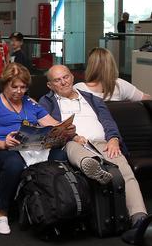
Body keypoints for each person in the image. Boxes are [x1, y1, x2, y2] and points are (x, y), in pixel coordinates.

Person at [40, 65, 149, 230]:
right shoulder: (46, 102)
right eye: (57, 80)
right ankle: (90, 163)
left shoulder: (92, 99)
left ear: (72, 77)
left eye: (66, 77)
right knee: (72, 147)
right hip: (74, 143)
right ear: (50, 85)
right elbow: (48, 129)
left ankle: (140, 217)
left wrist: (113, 139)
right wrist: (73, 136)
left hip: (102, 143)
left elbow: (108, 122)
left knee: (125, 170)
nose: (63, 82)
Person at [0, 63, 73, 234]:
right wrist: (4, 143)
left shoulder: (30, 102)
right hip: (1, 149)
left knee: (60, 155)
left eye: (23, 87)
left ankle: (54, 203)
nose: (19, 91)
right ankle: (2, 212)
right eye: (14, 87)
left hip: (30, 147)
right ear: (5, 84)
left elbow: (52, 124)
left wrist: (65, 129)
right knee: (15, 163)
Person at [75, 47, 150, 101]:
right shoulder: (120, 85)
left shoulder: (79, 88)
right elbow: (147, 99)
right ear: (111, 64)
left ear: (90, 66)